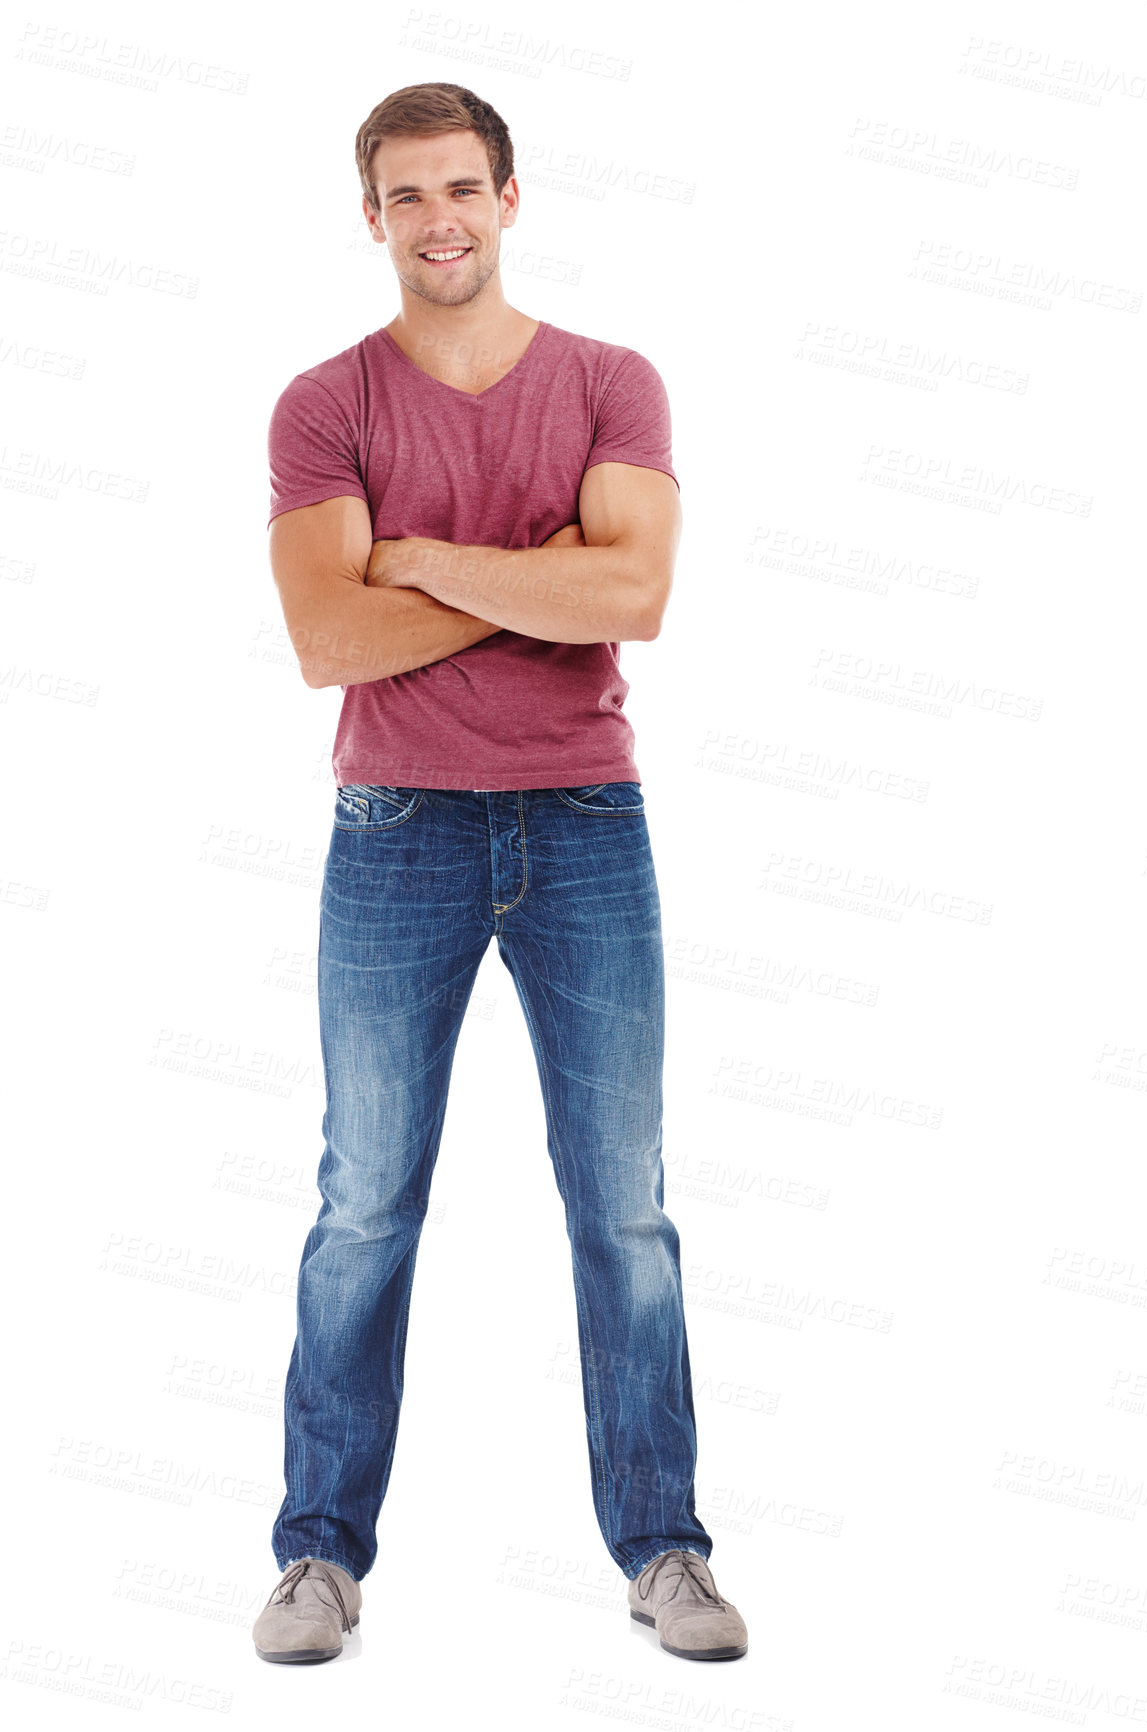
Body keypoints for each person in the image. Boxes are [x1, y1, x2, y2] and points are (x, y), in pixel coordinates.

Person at [252, 81, 747, 1668]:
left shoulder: (612, 381)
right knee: (362, 1206)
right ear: (372, 217)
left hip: (586, 824)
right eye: (406, 198)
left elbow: (643, 592)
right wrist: (549, 582)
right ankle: (318, 1555)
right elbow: (328, 638)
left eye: (461, 189)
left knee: (624, 1211)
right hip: (394, 827)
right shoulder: (324, 406)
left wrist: (423, 559)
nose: (438, 220)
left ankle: (663, 1548)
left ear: (511, 198)